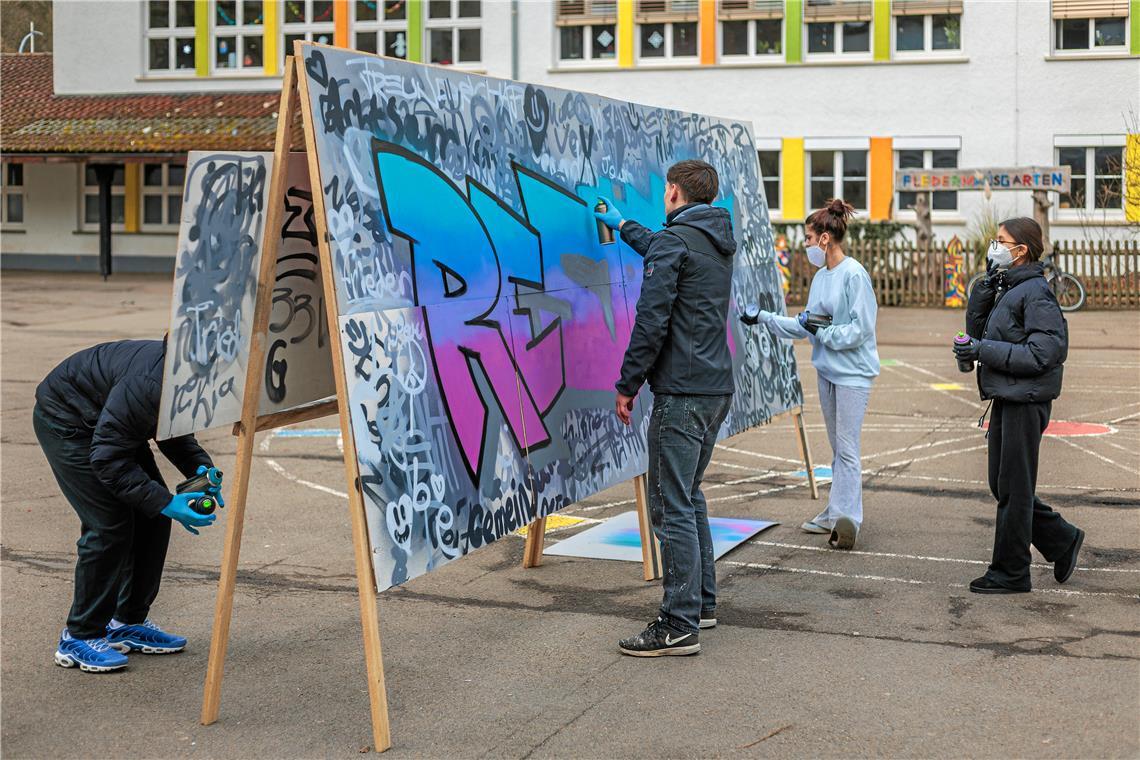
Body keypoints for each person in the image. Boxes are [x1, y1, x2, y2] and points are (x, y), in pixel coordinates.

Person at [595, 159, 736, 657]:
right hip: (716, 388)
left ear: (673, 191)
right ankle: (700, 605)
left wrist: (627, 383)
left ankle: (677, 623)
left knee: (669, 505)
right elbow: (663, 245)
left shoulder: (676, 242)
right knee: (688, 495)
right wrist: (622, 225)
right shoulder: (714, 240)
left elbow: (651, 320)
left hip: (682, 391)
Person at [33, 337, 221, 672]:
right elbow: (107, 459)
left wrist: (200, 469)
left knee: (154, 517)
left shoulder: (182, 376)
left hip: (111, 429)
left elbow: (171, 430)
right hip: (68, 421)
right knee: (109, 526)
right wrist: (166, 501)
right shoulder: (149, 383)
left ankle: (127, 623)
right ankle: (79, 636)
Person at [954, 218, 1083, 594]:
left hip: (1026, 399)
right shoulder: (1010, 287)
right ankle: (1061, 539)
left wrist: (982, 351)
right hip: (1009, 395)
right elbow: (979, 331)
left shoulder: (1036, 293)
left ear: (1021, 249)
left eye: (1001, 241)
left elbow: (1045, 353)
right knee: (1003, 482)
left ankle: (1011, 572)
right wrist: (982, 295)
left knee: (1013, 486)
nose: (994, 247)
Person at [748, 198, 879, 550]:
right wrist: (763, 318)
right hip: (828, 373)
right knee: (838, 448)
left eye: (808, 237)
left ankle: (849, 520)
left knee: (848, 449)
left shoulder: (854, 274)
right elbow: (806, 325)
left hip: (853, 375)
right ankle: (836, 511)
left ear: (825, 239)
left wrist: (824, 333)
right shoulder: (822, 277)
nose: (805, 244)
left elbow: (860, 330)